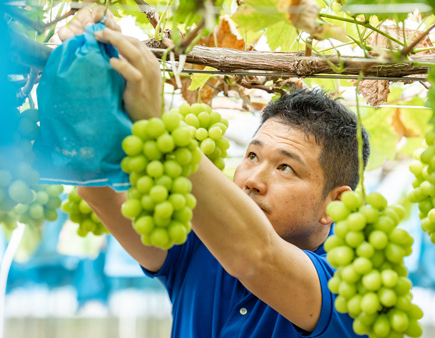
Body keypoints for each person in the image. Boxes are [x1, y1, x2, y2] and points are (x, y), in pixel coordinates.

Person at [72, 7, 370, 337]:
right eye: (253, 156)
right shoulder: (202, 241)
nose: (253, 180)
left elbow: (257, 256)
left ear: (336, 204)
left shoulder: (350, 289)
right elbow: (95, 188)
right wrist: (91, 80)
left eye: (286, 168)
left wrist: (155, 121)